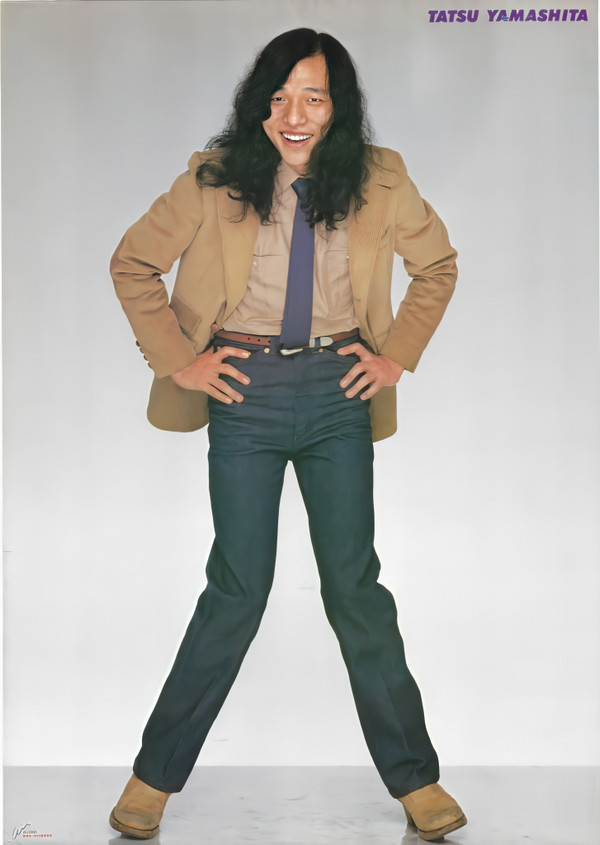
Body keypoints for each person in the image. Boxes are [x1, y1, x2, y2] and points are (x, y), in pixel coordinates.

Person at [109, 27, 466, 842]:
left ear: (338, 106)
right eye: (278, 98)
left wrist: (396, 356)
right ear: (257, 106)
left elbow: (438, 266)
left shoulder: (381, 176)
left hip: (340, 390)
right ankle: (150, 779)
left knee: (355, 588)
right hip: (246, 391)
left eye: (312, 97)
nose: (294, 116)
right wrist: (182, 362)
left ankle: (418, 781)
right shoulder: (213, 179)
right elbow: (133, 263)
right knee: (238, 589)